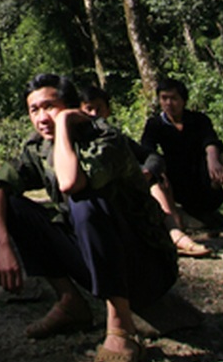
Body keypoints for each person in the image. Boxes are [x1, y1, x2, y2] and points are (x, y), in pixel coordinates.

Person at [0, 73, 177, 362]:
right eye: (34, 109)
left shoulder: (105, 137)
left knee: (82, 197)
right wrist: (2, 245)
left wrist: (63, 124)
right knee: (13, 205)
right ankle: (70, 302)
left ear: (72, 107)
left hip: (147, 265)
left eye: (50, 106)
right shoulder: (38, 149)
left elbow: (71, 181)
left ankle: (121, 326)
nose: (40, 117)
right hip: (100, 262)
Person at [78, 84, 212, 257]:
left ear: (108, 111)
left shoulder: (115, 138)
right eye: (89, 109)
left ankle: (175, 232)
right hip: (97, 200)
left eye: (99, 109)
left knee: (152, 176)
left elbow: (151, 156)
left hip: (128, 194)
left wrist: (148, 172)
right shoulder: (72, 139)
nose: (94, 114)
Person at [140, 76, 223, 236]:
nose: (169, 103)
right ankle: (176, 224)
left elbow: (211, 140)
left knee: (220, 157)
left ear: (183, 100)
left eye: (174, 98)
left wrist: (212, 158)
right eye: (164, 98)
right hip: (178, 185)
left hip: (207, 182)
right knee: (156, 167)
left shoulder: (199, 120)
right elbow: (147, 148)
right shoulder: (155, 124)